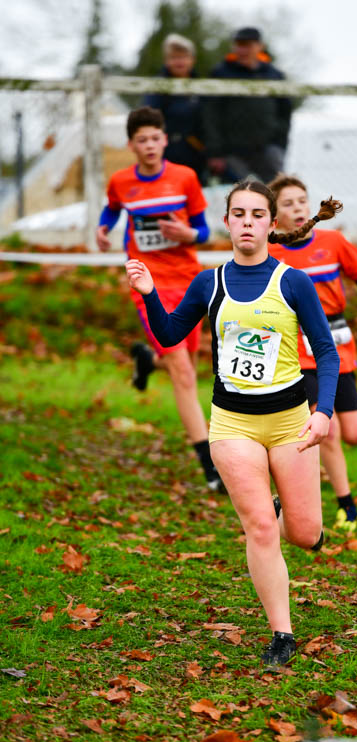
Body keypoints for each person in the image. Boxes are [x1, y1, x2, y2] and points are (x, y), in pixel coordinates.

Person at [124, 180, 341, 667]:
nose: (247, 222)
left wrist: (323, 412)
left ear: (271, 224)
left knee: (305, 533)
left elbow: (326, 352)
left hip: (290, 423)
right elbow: (168, 335)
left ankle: (288, 511)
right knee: (260, 527)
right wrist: (150, 293)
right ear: (226, 223)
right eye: (238, 214)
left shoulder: (293, 283)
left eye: (257, 214)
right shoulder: (209, 283)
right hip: (232, 425)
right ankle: (282, 634)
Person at [268, 174, 357, 530]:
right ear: (275, 215)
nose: (297, 208)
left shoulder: (332, 242)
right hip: (298, 350)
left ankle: (305, 472)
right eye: (287, 203)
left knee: (354, 434)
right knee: (326, 430)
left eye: (301, 200)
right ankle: (346, 505)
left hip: (337, 345)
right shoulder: (270, 254)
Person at [96, 105, 222, 492]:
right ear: (131, 145)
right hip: (148, 283)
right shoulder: (121, 182)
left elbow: (203, 231)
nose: (149, 145)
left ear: (165, 140)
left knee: (186, 364)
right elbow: (111, 209)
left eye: (155, 138)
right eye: (142, 140)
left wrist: (188, 235)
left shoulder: (185, 178)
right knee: (183, 372)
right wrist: (103, 229)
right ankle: (211, 467)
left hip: (188, 282)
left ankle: (147, 360)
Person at [203, 27, 292, 183]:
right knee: (240, 194)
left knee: (277, 191)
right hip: (232, 153)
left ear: (260, 46)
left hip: (268, 150)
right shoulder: (221, 73)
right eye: (239, 45)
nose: (242, 50)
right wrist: (215, 152)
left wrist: (278, 145)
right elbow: (210, 114)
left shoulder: (274, 75)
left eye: (247, 45)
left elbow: (285, 112)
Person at [143, 34, 207, 183]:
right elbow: (150, 120)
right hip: (165, 154)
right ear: (166, 60)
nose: (179, 62)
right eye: (174, 57)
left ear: (192, 59)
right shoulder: (157, 87)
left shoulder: (201, 87)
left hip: (196, 154)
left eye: (183, 57)